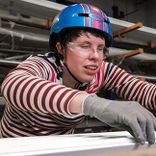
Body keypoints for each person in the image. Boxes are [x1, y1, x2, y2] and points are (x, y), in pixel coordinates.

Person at [0, 3, 156, 145]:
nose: (95, 56)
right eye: (85, 46)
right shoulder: (45, 65)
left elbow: (145, 91)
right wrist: (94, 104)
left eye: (100, 48)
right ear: (61, 48)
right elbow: (13, 84)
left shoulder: (102, 71)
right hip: (14, 149)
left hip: (60, 149)